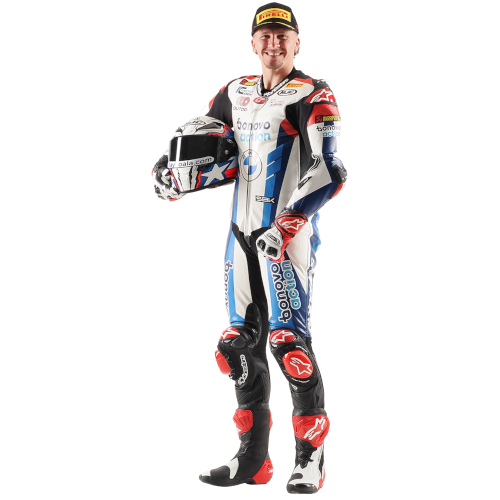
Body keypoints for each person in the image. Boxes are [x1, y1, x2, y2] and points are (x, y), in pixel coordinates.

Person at [152, 2, 346, 494]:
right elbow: (192, 134)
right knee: (237, 344)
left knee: (288, 344)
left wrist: (288, 223)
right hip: (238, 235)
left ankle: (311, 459)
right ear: (253, 42)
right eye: (265, 35)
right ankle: (252, 460)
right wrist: (166, 175)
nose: (273, 43)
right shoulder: (234, 91)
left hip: (286, 238)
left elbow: (330, 169)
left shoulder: (314, 93)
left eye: (283, 35)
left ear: (297, 41)